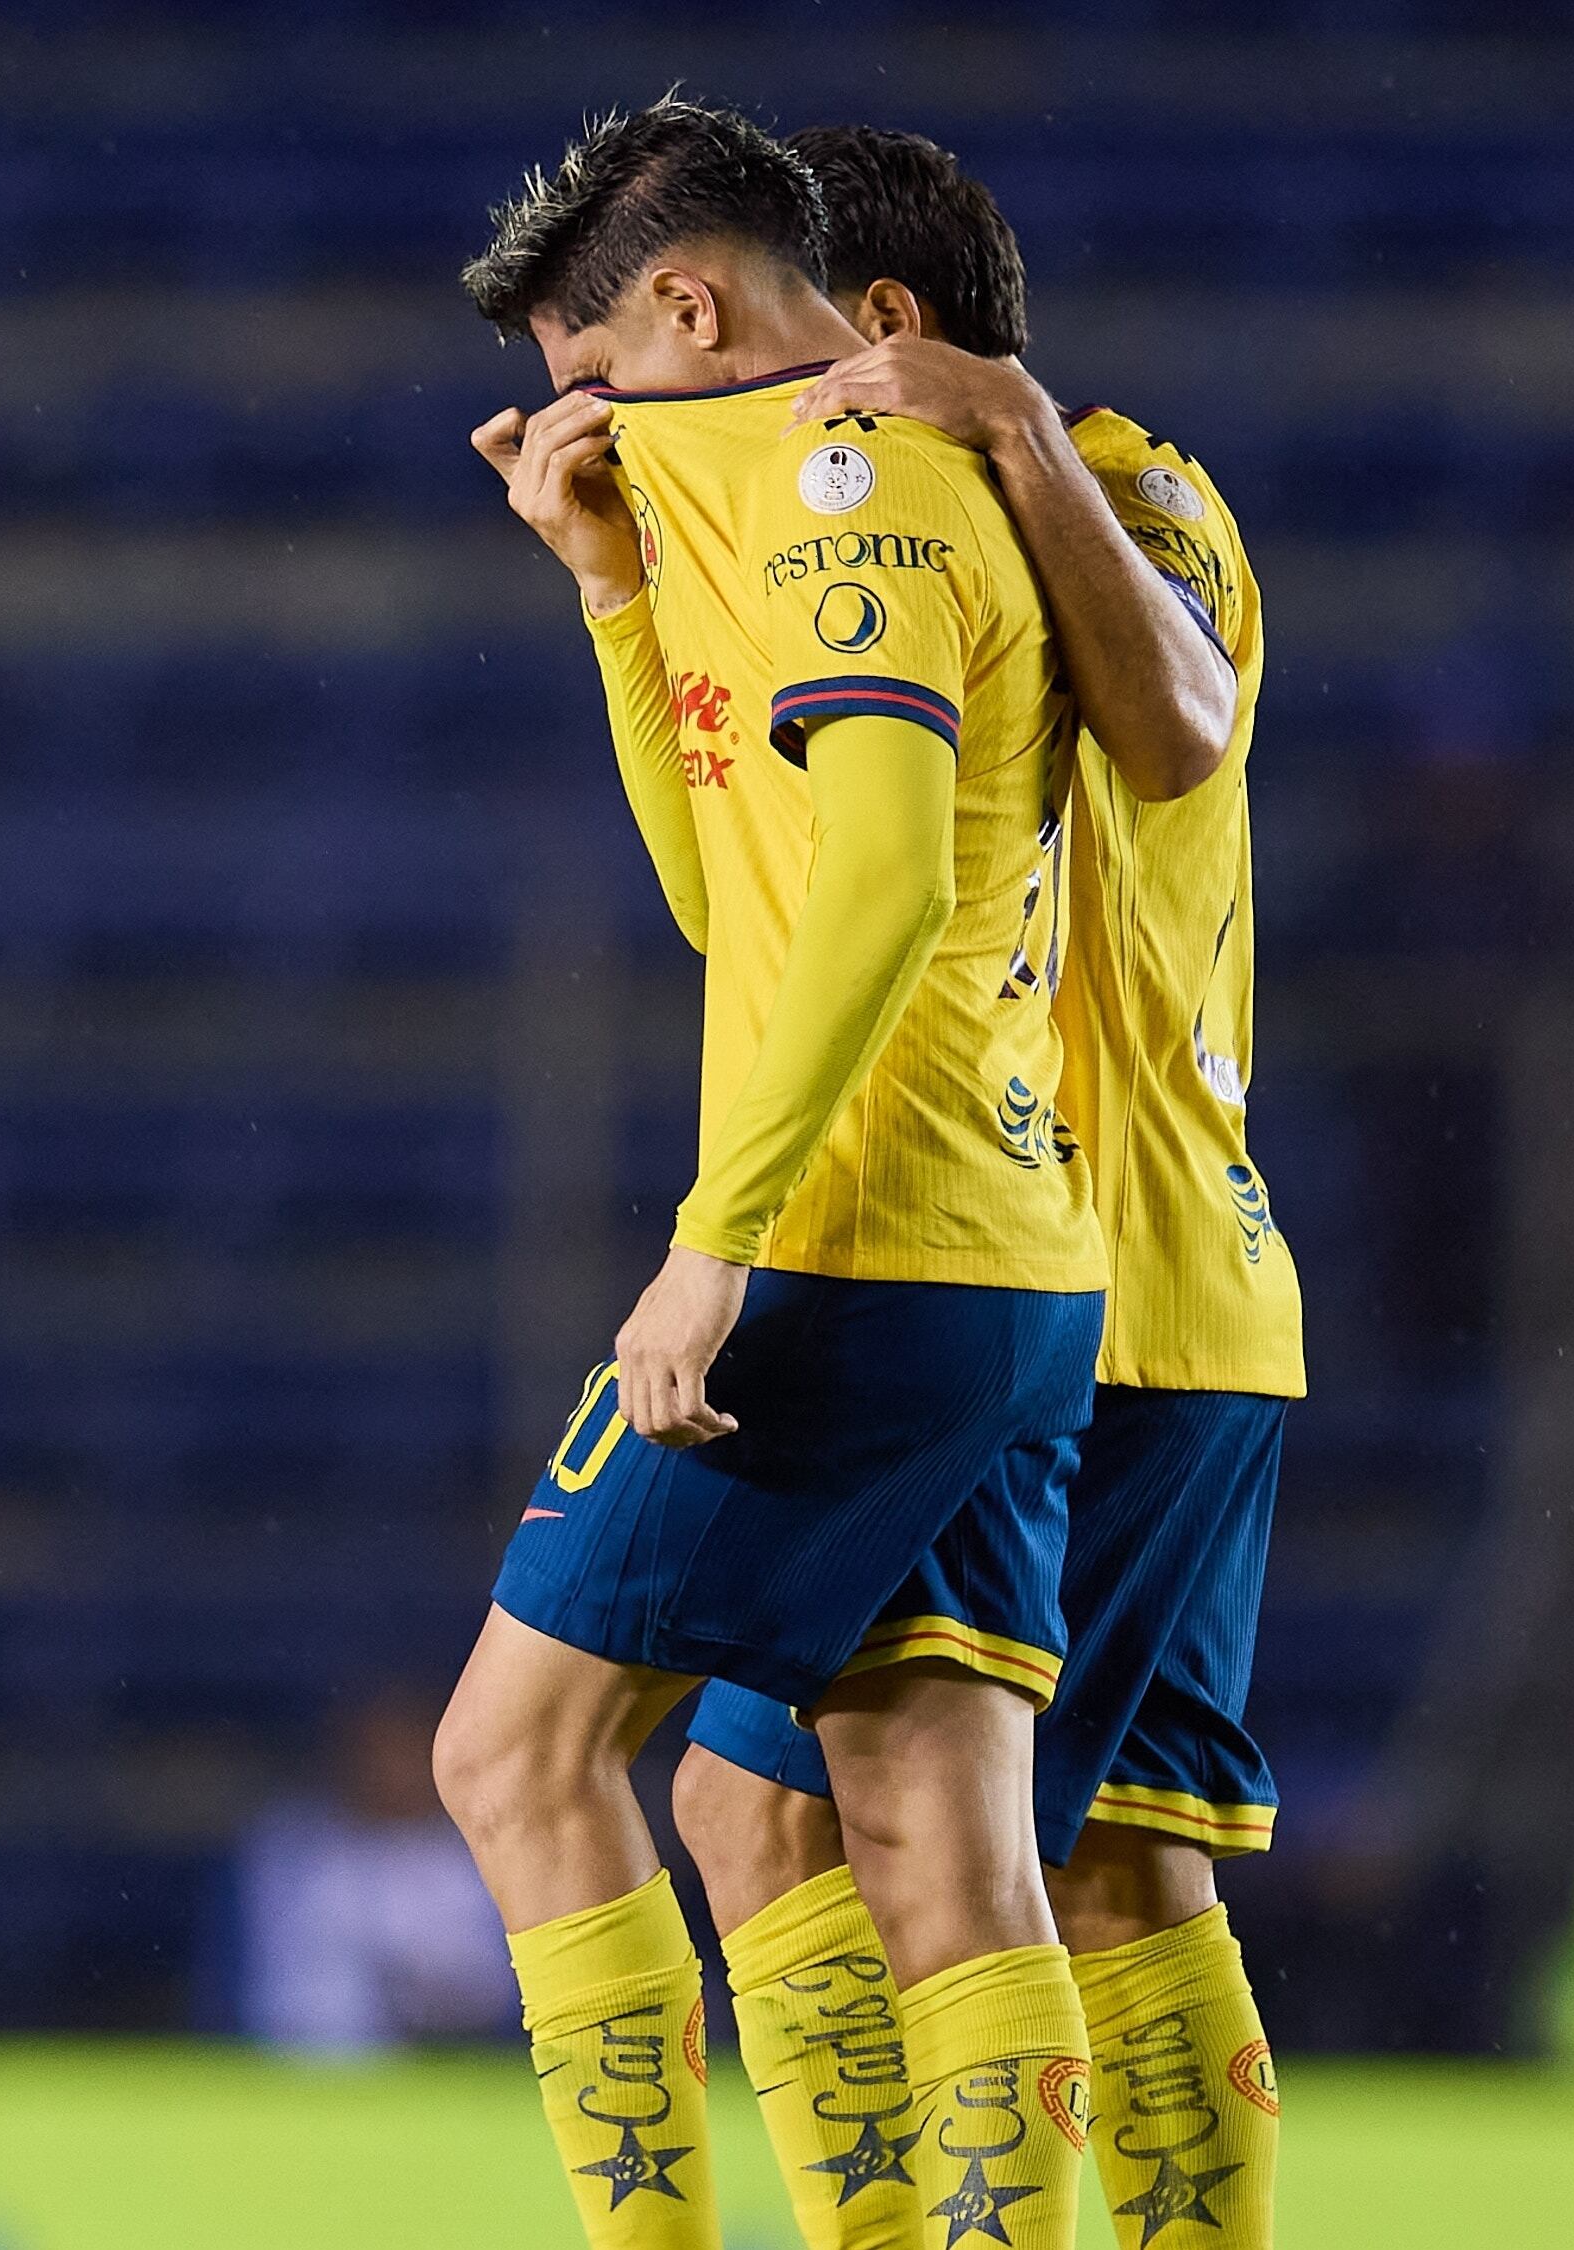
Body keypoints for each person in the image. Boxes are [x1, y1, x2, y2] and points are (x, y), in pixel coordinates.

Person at [522, 124, 1298, 2250]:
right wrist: (622, 592)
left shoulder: (1109, 489)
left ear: (878, 324)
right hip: (1117, 1281)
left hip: (1086, 1264)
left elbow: (1180, 729)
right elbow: (736, 894)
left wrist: (1015, 428)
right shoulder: (871, 529)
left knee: (807, 1820)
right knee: (1072, 1860)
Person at [441, 100, 1108, 2250]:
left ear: (693, 307)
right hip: (999, 1260)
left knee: (515, 1758)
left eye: (596, 380)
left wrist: (714, 1245)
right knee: (927, 1831)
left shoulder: (845, 492)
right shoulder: (771, 509)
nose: (589, 432)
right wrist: (613, 592)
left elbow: (883, 886)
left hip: (855, 1238)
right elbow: (734, 897)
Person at [235, 1688, 519, 2056]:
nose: (390, 1767)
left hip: (436, 2062)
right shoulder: (291, 1839)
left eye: (406, 1749)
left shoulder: (472, 1850)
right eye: (376, 1748)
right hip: (291, 2056)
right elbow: (262, 1977)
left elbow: (485, 1992)